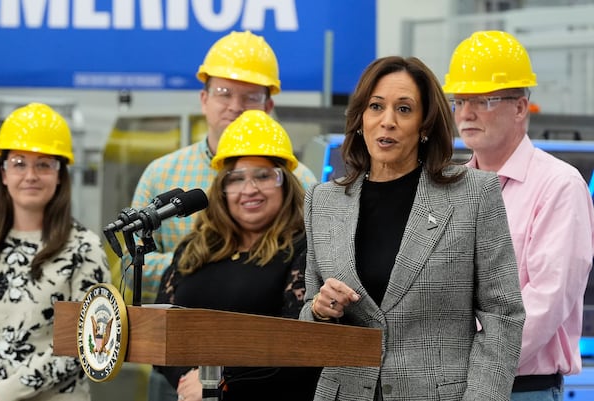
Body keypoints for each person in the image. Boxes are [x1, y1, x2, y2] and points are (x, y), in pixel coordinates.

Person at [299, 56, 526, 401]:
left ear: (424, 125)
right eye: (376, 107)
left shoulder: (474, 194)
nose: (387, 121)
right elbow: (309, 321)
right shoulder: (322, 201)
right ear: (361, 118)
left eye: (404, 110)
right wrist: (319, 310)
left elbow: (503, 315)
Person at [442, 30, 594, 400]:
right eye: (460, 100)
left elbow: (544, 303)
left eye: (484, 100)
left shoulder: (558, 186)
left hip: (521, 389)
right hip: (447, 383)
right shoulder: (450, 184)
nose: (467, 113)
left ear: (521, 107)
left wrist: (472, 366)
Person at [128, 30, 317, 305]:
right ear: (204, 99)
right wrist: (202, 259)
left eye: (250, 97)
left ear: (268, 105)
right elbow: (131, 263)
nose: (236, 107)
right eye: (224, 93)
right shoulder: (160, 174)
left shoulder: (300, 179)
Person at [154, 109, 320, 401]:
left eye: (264, 176)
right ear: (223, 188)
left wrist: (215, 379)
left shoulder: (304, 248)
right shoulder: (196, 246)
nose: (250, 189)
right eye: (236, 178)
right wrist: (189, 380)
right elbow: (158, 329)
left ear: (286, 184)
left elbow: (298, 341)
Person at [0, 103, 110, 400]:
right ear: (3, 173)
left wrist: (5, 392)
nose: (30, 175)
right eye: (19, 163)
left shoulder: (84, 247)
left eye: (43, 164)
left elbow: (88, 342)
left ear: (60, 175)